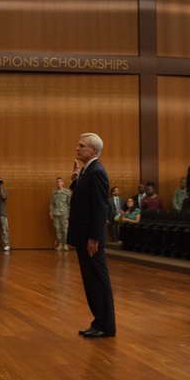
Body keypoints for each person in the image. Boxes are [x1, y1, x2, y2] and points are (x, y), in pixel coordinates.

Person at [68, 133, 116, 339]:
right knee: (91, 281)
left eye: (82, 146)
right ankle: (99, 322)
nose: (77, 148)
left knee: (98, 281)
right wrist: (76, 180)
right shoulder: (88, 171)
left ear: (93, 150)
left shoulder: (96, 172)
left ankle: (105, 325)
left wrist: (95, 238)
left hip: (91, 239)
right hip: (84, 236)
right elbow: (83, 200)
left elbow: (99, 207)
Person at [49, 177, 70, 251]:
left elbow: (69, 203)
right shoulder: (54, 192)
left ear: (63, 183)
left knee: (65, 229)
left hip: (64, 213)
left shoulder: (67, 192)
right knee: (58, 230)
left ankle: (65, 244)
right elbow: (51, 203)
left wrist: (69, 212)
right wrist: (51, 213)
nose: (58, 183)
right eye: (57, 181)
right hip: (56, 214)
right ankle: (60, 244)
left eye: (60, 181)